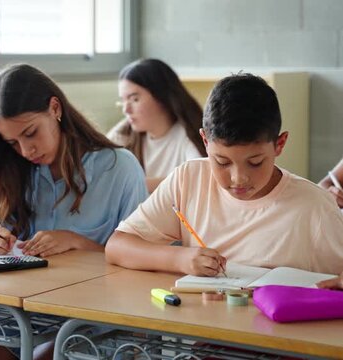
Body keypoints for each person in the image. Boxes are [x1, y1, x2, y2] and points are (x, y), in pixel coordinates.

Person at [0, 64, 147, 360]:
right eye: (13, 143)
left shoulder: (119, 168)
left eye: (31, 133)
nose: (26, 150)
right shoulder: (17, 170)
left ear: (55, 108)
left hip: (94, 320)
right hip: (23, 318)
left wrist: (78, 243)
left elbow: (141, 266)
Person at [106, 73, 343, 278]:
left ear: (279, 145)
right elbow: (118, 246)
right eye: (222, 162)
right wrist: (179, 259)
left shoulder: (314, 207)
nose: (238, 178)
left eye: (255, 162)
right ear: (205, 141)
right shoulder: (188, 179)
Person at [107, 58, 206, 193]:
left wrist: (136, 184)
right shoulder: (123, 133)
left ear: (161, 96)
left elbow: (197, 178)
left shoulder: (188, 135)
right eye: (123, 101)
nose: (126, 110)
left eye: (134, 99)